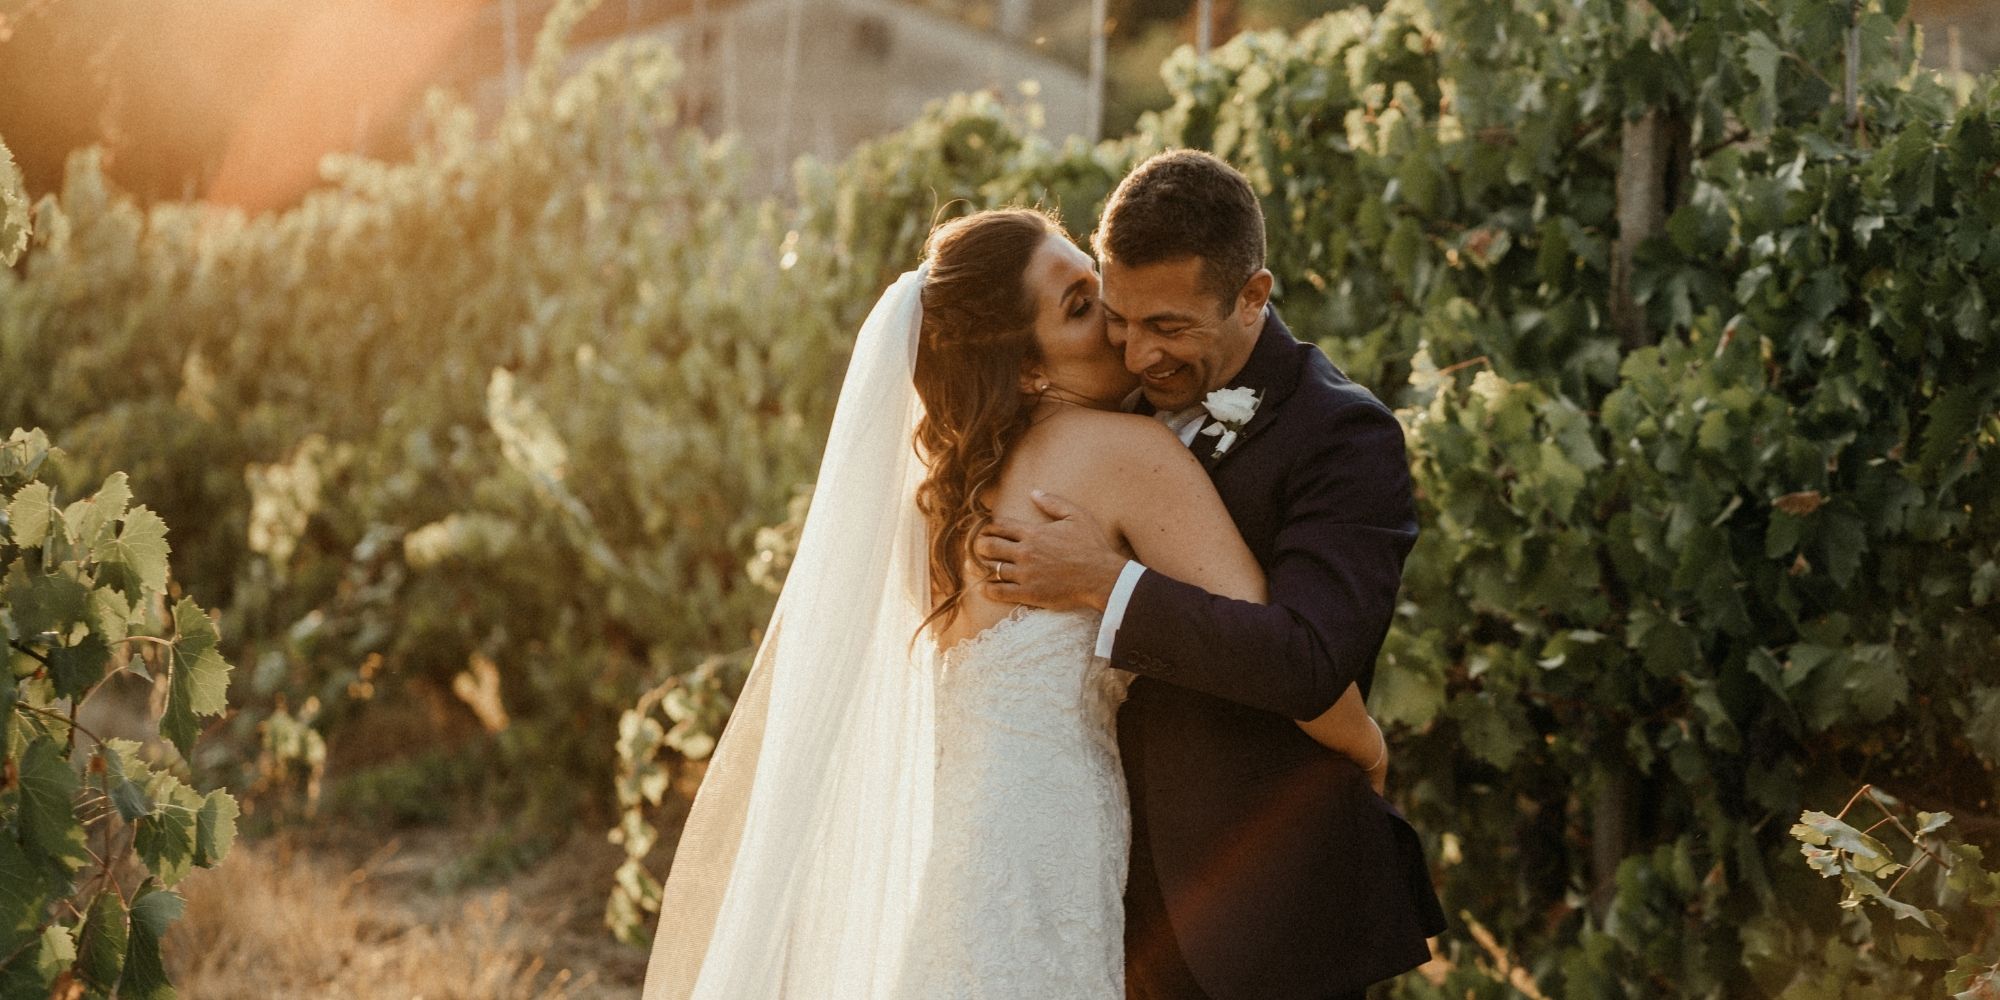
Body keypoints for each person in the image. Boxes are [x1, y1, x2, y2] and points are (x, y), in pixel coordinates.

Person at [640, 205, 1387, 1000]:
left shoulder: (936, 500)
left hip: (958, 849)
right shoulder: (1123, 454)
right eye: (1078, 309)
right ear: (1028, 369)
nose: (1113, 320)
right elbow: (1273, 647)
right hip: (1045, 846)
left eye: (1094, 285)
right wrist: (1365, 743)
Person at [975, 150, 1447, 1000]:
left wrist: (1108, 584)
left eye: (1170, 327)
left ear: (1253, 296)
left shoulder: (1343, 437)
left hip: (1269, 914)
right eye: (1118, 318)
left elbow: (1307, 658)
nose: (1138, 352)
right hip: (1105, 891)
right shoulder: (1106, 408)